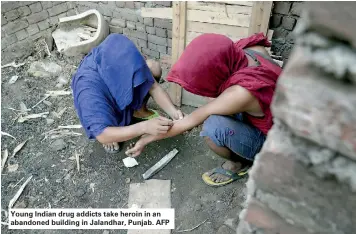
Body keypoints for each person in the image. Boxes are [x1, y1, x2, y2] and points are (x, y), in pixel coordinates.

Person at [126, 33, 282, 187]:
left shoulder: (240, 94)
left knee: (213, 127)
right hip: (279, 118)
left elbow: (191, 120)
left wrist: (145, 139)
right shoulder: (249, 50)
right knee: (214, 106)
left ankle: (239, 164)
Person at [71, 34, 183, 153]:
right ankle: (113, 126)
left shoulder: (117, 54)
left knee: (153, 67)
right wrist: (144, 127)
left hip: (114, 82)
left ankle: (138, 110)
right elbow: (101, 134)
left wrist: (174, 112)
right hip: (105, 105)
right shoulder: (89, 91)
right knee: (105, 131)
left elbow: (153, 87)